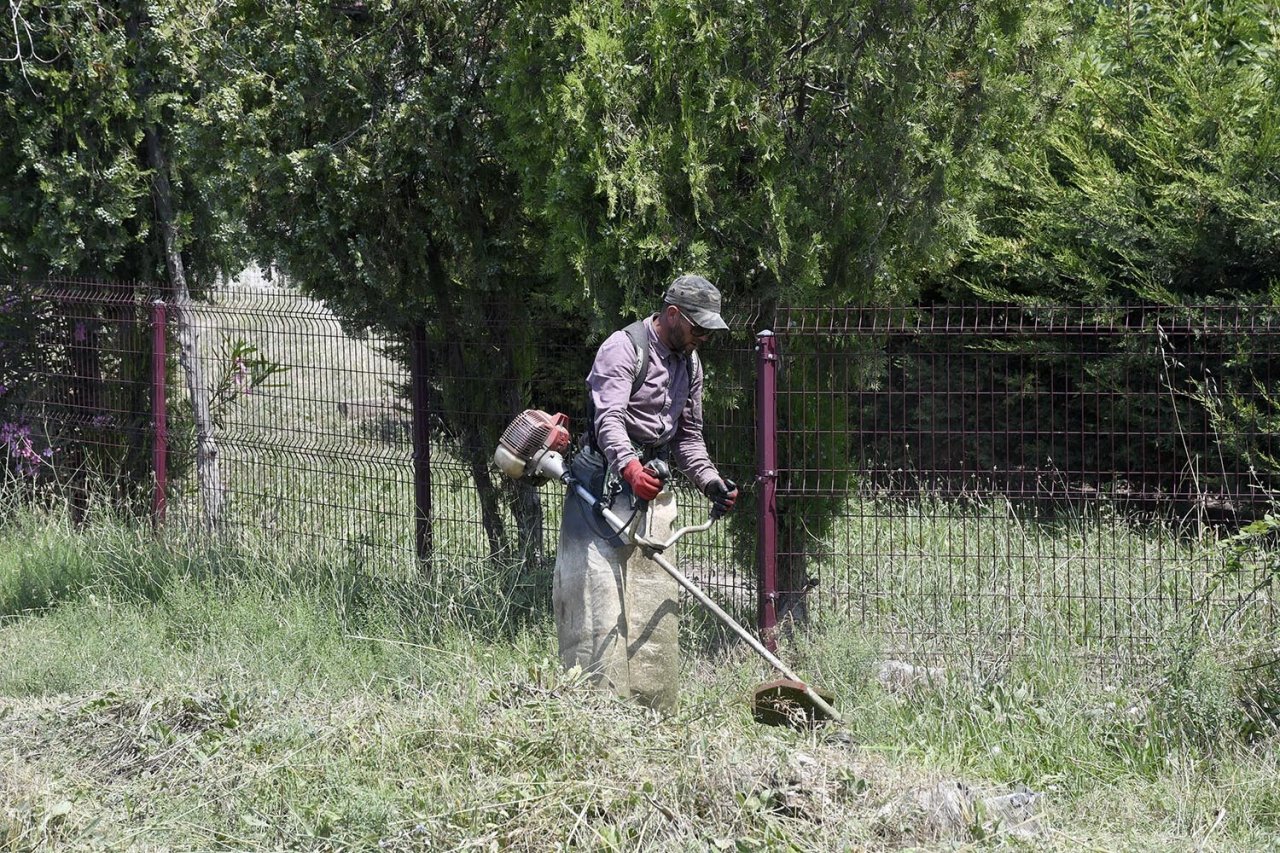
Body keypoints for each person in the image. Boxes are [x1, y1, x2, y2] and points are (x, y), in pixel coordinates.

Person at [553, 274, 739, 711]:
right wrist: (630, 467)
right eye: (698, 328)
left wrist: (711, 482)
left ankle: (652, 716)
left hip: (650, 488)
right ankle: (596, 714)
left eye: (709, 331)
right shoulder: (623, 348)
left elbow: (688, 437)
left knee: (652, 611)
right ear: (673, 315)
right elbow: (609, 421)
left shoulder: (690, 363)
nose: (703, 338)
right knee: (597, 608)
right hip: (601, 484)